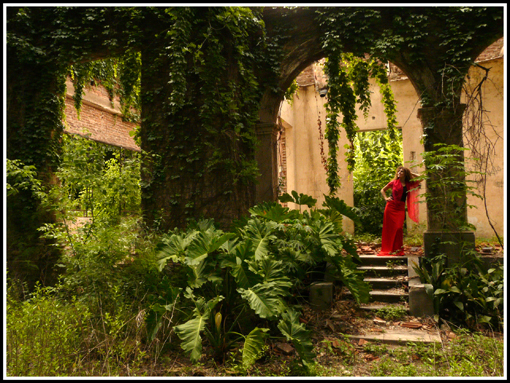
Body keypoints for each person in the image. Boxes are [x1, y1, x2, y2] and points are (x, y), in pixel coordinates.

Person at [377, 166, 421, 256]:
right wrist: (386, 198)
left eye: (402, 171)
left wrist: (410, 172)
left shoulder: (409, 184)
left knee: (398, 228)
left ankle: (398, 250)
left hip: (400, 208)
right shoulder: (393, 182)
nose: (399, 172)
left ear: (405, 174)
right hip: (391, 207)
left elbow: (421, 178)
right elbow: (383, 190)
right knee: (389, 229)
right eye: (398, 171)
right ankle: (389, 249)